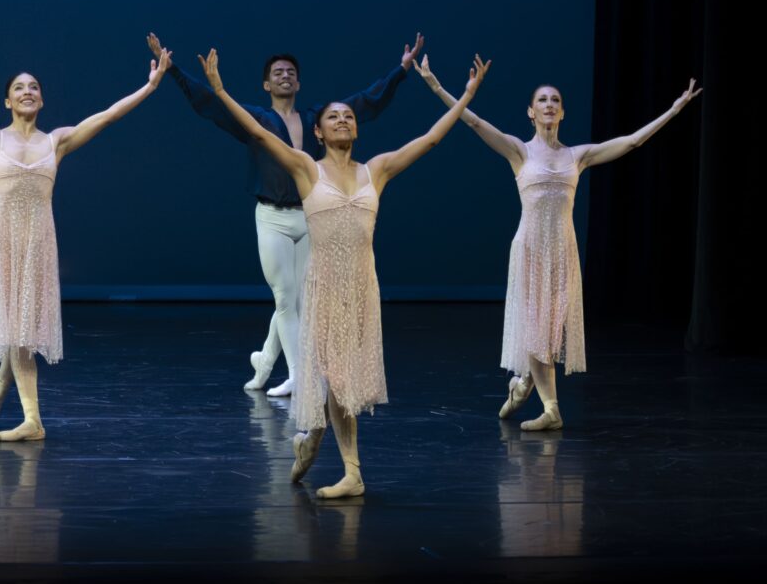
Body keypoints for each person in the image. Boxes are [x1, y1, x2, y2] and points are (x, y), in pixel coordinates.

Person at [201, 48, 485, 499]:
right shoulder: (306, 170)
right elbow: (256, 131)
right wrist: (219, 90)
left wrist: (465, 96)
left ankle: (316, 441)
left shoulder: (377, 171)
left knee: (344, 382)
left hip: (362, 289)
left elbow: (430, 139)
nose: (342, 120)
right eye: (333, 117)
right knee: (335, 378)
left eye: (348, 116)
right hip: (324, 288)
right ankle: (348, 468)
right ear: (317, 131)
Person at [415, 57, 699, 430]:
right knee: (535, 328)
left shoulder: (576, 156)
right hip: (530, 250)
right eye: (542, 100)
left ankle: (523, 384)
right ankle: (552, 410)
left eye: (555, 101)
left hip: (563, 253)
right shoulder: (519, 151)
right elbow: (473, 121)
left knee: (549, 335)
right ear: (531, 112)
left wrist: (674, 110)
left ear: (562, 113)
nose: (549, 105)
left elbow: (632, 142)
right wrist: (436, 85)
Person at [0, 46, 168, 442]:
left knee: (22, 331)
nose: (27, 92)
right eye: (19, 88)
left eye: (34, 87)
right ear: (7, 100)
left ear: (42, 99)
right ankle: (31, 418)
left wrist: (150, 87)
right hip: (4, 243)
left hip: (38, 244)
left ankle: (0, 397)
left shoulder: (57, 142)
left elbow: (108, 115)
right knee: (15, 330)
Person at [150, 33, 421, 394]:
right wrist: (174, 71)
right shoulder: (257, 119)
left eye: (291, 72)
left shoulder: (315, 119)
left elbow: (363, 102)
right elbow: (211, 102)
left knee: (301, 300)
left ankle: (265, 361)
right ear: (266, 84)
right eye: (277, 72)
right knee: (285, 297)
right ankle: (299, 375)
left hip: (310, 219)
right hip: (272, 217)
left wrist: (400, 71)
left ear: (299, 82)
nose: (285, 75)